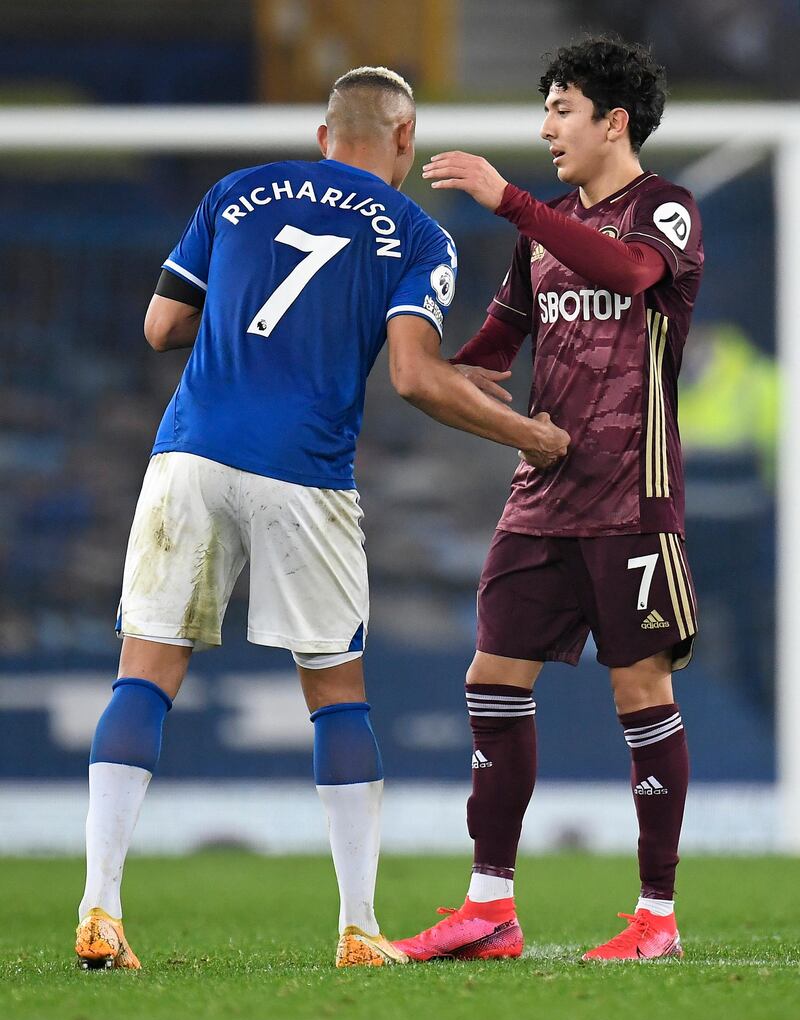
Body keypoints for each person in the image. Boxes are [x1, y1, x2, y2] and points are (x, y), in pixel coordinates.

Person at [73, 66, 569, 971]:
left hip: (189, 455)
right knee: (335, 693)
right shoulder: (417, 233)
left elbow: (158, 327)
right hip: (303, 471)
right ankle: (357, 928)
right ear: (406, 140)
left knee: (142, 678)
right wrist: (524, 436)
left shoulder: (235, 191)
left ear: (322, 134)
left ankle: (100, 908)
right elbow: (416, 376)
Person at [395, 36, 703, 963]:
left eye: (562, 109)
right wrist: (424, 360)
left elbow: (631, 275)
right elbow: (495, 346)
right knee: (492, 680)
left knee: (639, 687)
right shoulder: (542, 236)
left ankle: (657, 917)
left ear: (614, 121)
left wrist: (511, 200)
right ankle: (490, 908)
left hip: (633, 496)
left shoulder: (669, 212)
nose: (546, 128)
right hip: (541, 499)